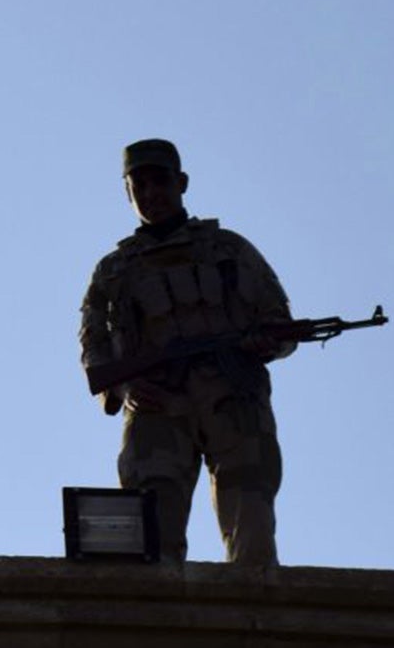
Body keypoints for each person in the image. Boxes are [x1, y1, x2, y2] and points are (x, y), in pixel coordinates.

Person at [79, 138, 295, 564]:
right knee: (152, 531)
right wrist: (124, 386)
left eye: (160, 181)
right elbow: (93, 344)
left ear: (181, 183)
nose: (151, 194)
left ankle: (254, 617)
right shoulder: (115, 269)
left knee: (250, 521)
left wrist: (265, 342)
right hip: (157, 407)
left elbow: (280, 322)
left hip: (232, 398)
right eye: (139, 185)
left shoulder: (228, 250)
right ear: (128, 192)